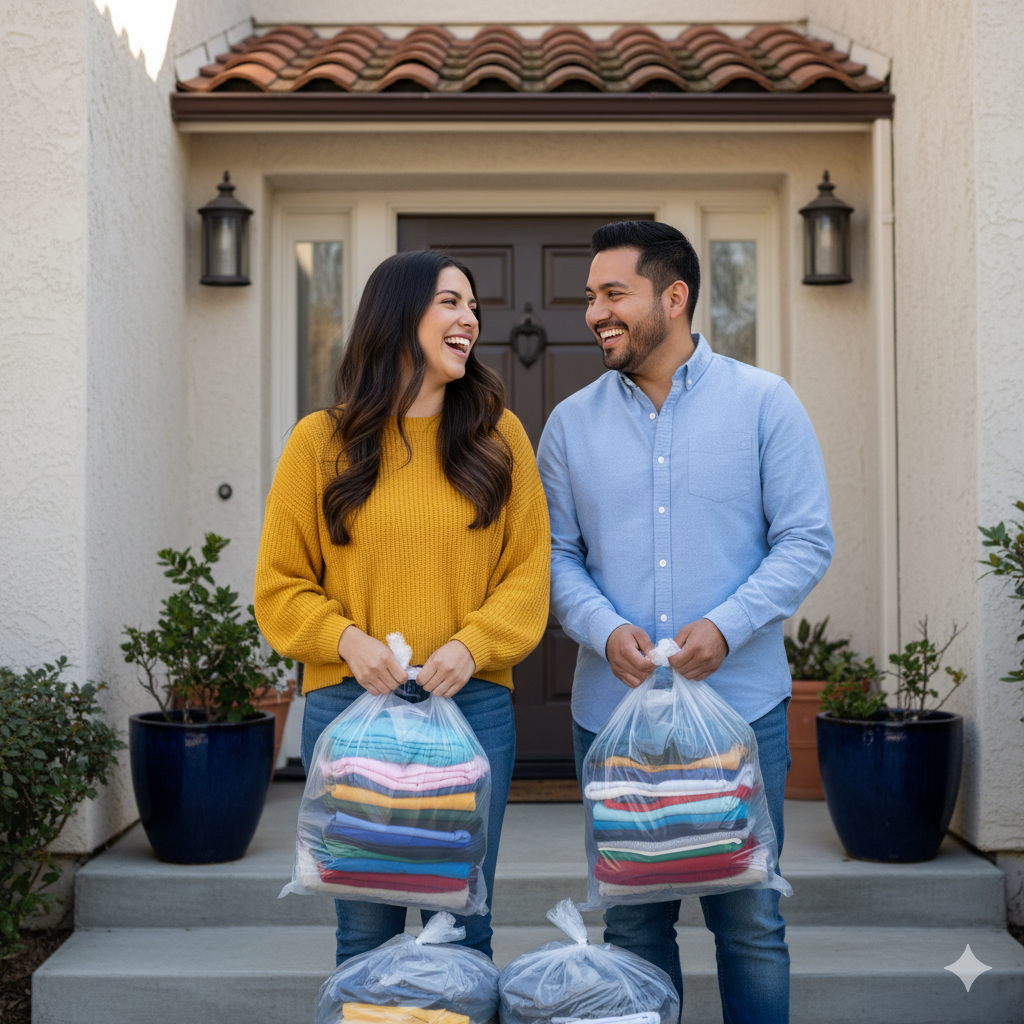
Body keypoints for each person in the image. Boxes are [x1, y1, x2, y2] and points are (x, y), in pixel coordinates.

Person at [536, 221, 834, 1024]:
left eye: (612, 294)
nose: (594, 312)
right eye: (590, 296)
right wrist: (602, 630)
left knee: (750, 922)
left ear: (674, 297)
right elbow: (554, 558)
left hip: (742, 710)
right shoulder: (568, 425)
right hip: (614, 720)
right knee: (634, 923)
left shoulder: (766, 403)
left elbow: (807, 540)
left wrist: (728, 625)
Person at [255, 250, 550, 964]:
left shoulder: (499, 436)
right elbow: (280, 584)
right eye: (451, 301)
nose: (470, 318)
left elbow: (528, 574)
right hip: (350, 707)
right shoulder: (319, 443)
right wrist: (346, 639)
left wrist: (472, 644)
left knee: (464, 918)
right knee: (363, 928)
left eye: (473, 305)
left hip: (472, 706)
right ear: (398, 315)